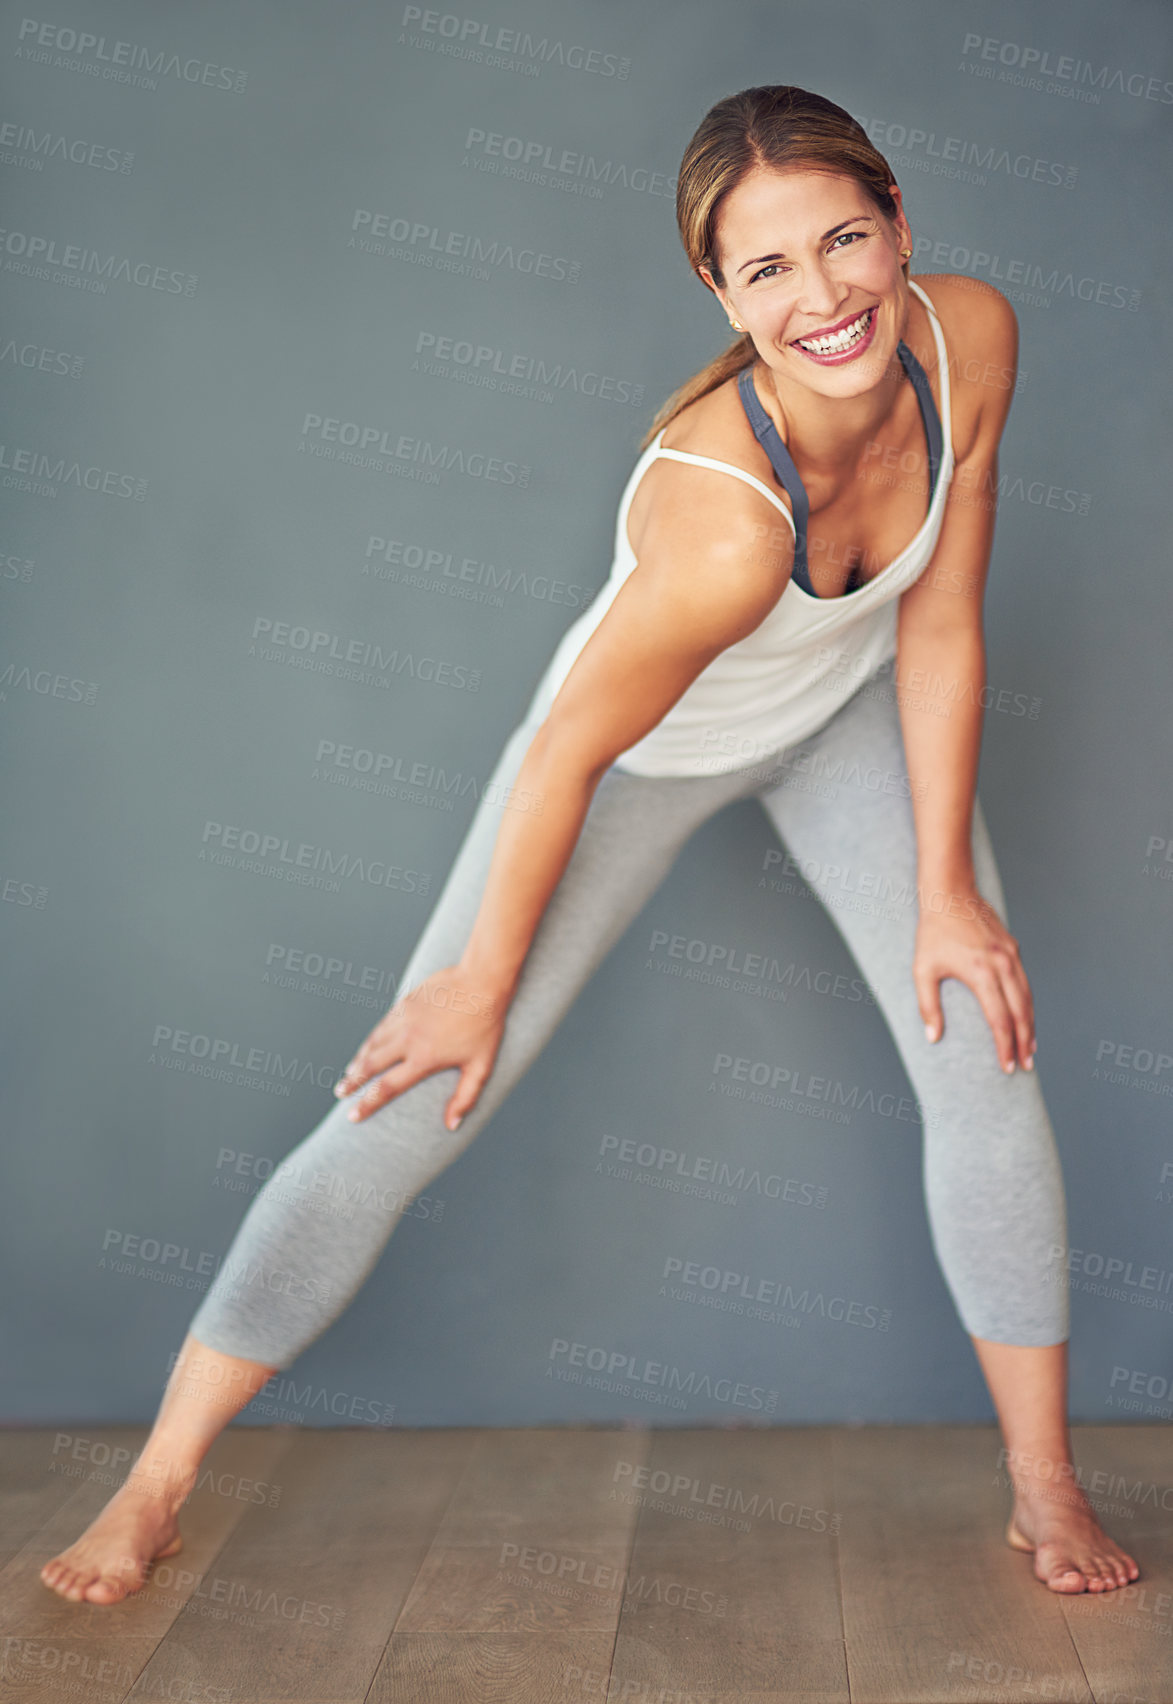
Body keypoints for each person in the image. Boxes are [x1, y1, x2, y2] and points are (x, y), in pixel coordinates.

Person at [40, 84, 1139, 1605]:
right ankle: (153, 1488)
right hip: (627, 766)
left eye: (844, 241)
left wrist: (944, 891)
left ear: (899, 228)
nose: (821, 297)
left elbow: (939, 615)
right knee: (413, 1099)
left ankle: (1042, 1489)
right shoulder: (723, 525)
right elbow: (567, 744)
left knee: (984, 1043)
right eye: (767, 270)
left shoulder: (971, 338)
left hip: (842, 721)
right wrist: (479, 981)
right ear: (717, 289)